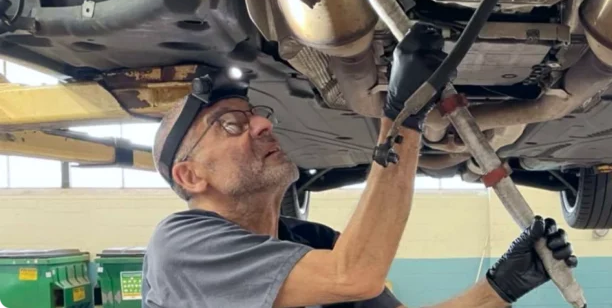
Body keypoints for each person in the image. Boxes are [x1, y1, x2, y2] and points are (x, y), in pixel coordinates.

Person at [141, 23, 578, 307]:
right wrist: (402, 119)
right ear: (190, 176)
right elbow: (355, 276)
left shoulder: (310, 245)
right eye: (230, 125)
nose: (259, 124)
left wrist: (502, 286)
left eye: (256, 114)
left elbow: (355, 276)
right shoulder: (180, 245)